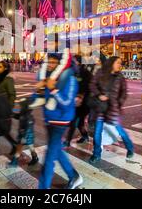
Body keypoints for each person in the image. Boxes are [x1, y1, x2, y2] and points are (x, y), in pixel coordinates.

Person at [35, 52, 83, 190]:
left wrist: (53, 89)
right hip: (49, 120)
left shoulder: (70, 79)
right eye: (48, 62)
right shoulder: (48, 77)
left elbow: (67, 102)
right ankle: (74, 176)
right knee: (56, 151)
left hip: (61, 121)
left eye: (53, 62)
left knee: (49, 157)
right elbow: (42, 99)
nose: (50, 65)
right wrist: (38, 90)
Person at [89, 56, 134, 164]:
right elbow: (92, 85)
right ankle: (96, 154)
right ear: (111, 63)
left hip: (113, 109)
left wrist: (118, 103)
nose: (120, 65)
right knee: (97, 133)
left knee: (121, 132)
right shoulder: (101, 72)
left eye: (120, 63)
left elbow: (124, 92)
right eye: (118, 63)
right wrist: (99, 95)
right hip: (101, 108)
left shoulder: (120, 76)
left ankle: (130, 148)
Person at [65, 55, 93, 146]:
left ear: (79, 62)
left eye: (74, 61)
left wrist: (80, 96)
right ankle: (85, 136)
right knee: (79, 123)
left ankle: (68, 141)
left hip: (83, 103)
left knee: (73, 121)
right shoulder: (74, 72)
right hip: (76, 102)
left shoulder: (85, 73)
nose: (73, 63)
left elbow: (87, 87)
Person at [0, 61, 18, 156]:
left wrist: (9, 108)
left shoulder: (8, 79)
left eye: (0, 67)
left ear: (5, 68)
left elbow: (12, 95)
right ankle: (14, 144)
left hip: (4, 108)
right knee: (0, 129)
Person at [9, 98, 38, 167]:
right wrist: (12, 114)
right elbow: (18, 116)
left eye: (21, 105)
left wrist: (23, 137)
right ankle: (35, 158)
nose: (20, 106)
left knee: (18, 148)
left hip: (25, 135)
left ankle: (14, 163)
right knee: (31, 147)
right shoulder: (24, 113)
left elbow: (28, 127)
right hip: (26, 135)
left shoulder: (27, 117)